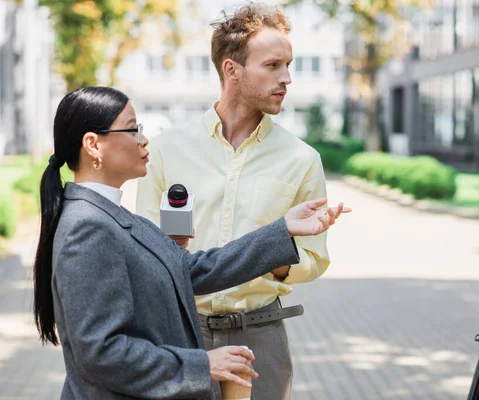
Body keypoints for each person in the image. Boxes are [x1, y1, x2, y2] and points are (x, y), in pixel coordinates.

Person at [33, 86, 349, 400]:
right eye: (133, 129)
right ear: (93, 144)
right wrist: (202, 364)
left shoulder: (111, 215)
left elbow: (191, 270)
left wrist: (282, 230)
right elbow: (101, 352)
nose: (144, 139)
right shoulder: (87, 227)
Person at [136, 4, 330, 399]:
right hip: (181, 334)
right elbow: (142, 251)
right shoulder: (166, 151)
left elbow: (314, 259)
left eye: (288, 65)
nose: (287, 78)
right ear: (232, 70)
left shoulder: (302, 159)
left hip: (261, 338)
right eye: (273, 65)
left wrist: (273, 253)